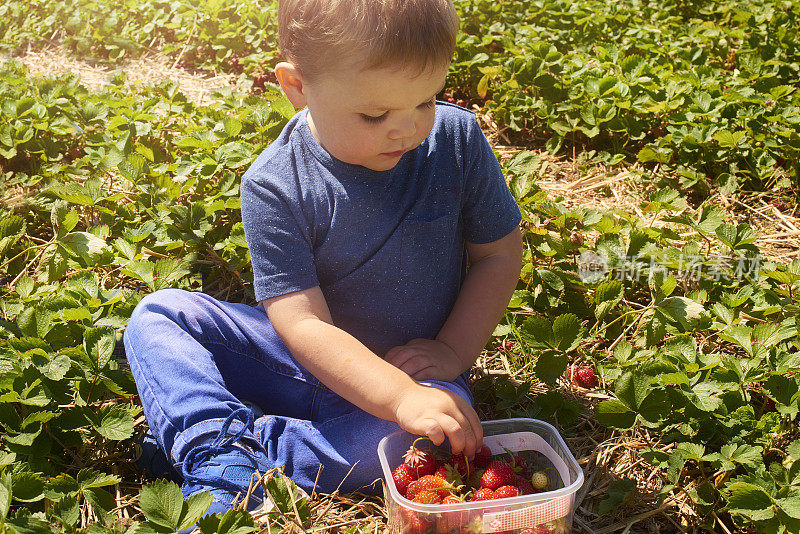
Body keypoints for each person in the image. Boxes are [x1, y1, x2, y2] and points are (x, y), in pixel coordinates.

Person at [123, 0, 522, 524]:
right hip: (300, 361)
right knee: (159, 317)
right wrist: (394, 394)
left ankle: (243, 449)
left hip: (412, 373)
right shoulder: (276, 184)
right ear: (297, 87)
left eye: (425, 100)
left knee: (422, 437)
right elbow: (301, 321)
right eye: (375, 114)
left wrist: (448, 353)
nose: (407, 129)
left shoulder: (456, 141)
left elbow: (498, 254)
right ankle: (218, 455)